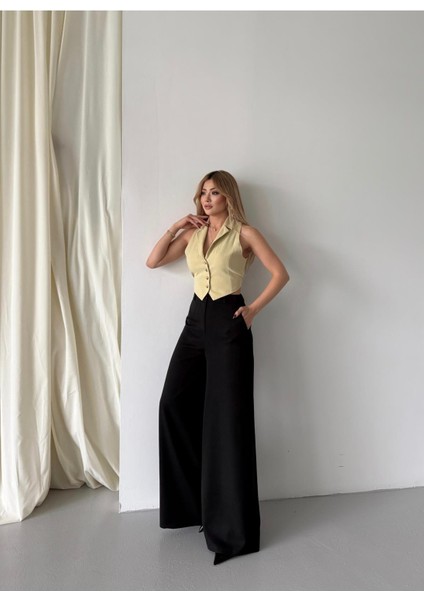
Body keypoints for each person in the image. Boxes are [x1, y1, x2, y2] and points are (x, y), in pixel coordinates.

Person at [146, 170, 290, 565]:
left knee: (227, 420)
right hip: (195, 321)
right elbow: (153, 261)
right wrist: (177, 225)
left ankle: (231, 529)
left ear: (229, 197)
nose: (206, 199)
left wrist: (253, 310)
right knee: (172, 403)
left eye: (214, 193)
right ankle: (192, 505)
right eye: (202, 193)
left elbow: (281, 274)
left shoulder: (246, 233)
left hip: (229, 319)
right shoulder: (193, 234)